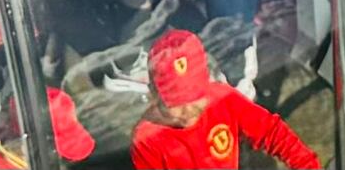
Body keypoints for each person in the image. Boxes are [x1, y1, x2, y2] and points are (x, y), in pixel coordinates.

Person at [124, 30, 313, 170]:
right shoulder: (147, 139)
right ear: (154, 96)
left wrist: (306, 164)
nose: (188, 110)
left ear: (207, 82)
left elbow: (271, 132)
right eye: (177, 104)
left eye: (195, 97)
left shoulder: (224, 99)